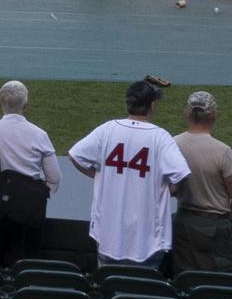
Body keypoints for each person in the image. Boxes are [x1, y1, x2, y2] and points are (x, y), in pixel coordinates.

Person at [67, 79, 191, 268]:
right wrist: (168, 190)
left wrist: (100, 176)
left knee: (109, 289)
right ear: (152, 105)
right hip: (147, 239)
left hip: (108, 234)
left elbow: (75, 155)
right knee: (141, 294)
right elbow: (181, 174)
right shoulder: (160, 137)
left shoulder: (108, 129)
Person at [0, 81, 63, 267]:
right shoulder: (39, 134)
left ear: (1, 103)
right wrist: (38, 196)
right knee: (24, 265)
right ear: (25, 106)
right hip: (28, 209)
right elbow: (54, 178)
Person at [171, 91, 232, 273]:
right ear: (213, 115)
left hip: (184, 223)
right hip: (215, 229)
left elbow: (172, 186)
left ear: (187, 113)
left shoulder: (173, 144)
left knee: (185, 279)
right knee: (220, 282)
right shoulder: (222, 151)